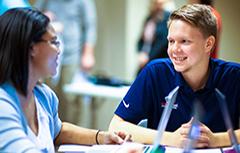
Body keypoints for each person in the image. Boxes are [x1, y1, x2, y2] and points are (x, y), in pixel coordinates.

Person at [109, 4, 240, 148]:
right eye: (171, 41)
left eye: (184, 41)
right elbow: (115, 126)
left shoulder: (234, 76)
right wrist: (171, 138)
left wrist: (216, 139)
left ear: (208, 44)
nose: (174, 50)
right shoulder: (155, 72)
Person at [0, 8, 131, 152]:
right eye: (54, 42)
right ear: (32, 48)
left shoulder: (43, 95)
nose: (59, 50)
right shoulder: (3, 105)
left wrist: (101, 138)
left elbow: (58, 131)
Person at [33, 0, 97, 122]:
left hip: (72, 56)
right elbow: (31, 15)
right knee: (47, 94)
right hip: (48, 55)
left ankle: (71, 134)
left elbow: (90, 26)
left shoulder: (84, 2)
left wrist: (88, 53)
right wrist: (43, 18)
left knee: (71, 99)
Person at [137, 0, 170, 74]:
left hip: (157, 59)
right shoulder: (149, 19)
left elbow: (163, 42)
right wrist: (141, 53)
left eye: (160, 4)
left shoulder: (167, 17)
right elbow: (141, 40)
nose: (158, 6)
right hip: (144, 58)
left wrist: (148, 57)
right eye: (155, 3)